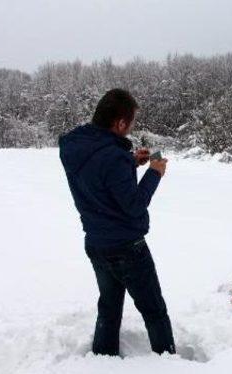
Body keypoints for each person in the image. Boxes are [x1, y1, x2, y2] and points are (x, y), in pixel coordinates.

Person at [59, 88, 175, 356]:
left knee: (109, 308)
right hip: (127, 248)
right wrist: (154, 173)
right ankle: (170, 365)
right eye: (131, 121)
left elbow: (96, 177)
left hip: (96, 244)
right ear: (120, 123)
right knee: (154, 311)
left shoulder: (76, 147)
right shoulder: (112, 156)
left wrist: (130, 162)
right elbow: (133, 206)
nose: (131, 126)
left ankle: (103, 359)